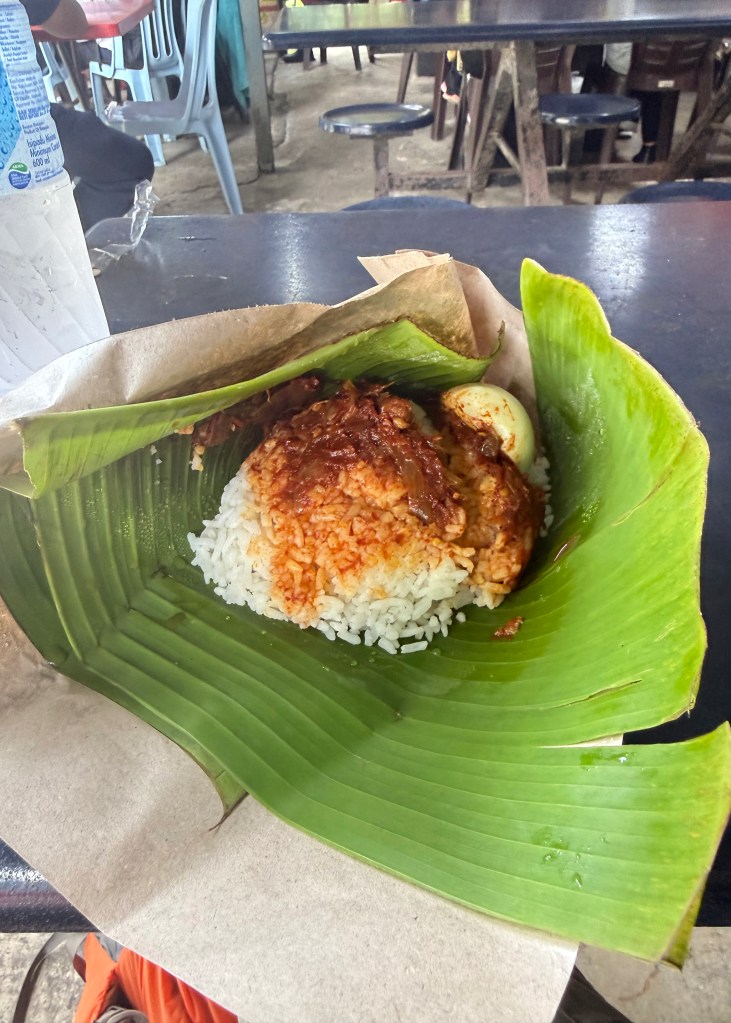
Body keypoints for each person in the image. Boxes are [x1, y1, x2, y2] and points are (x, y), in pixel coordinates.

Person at [20, 0, 155, 230]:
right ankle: (58, 238)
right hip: (19, 122)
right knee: (131, 162)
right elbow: (73, 23)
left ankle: (47, 235)